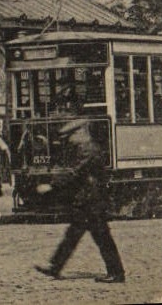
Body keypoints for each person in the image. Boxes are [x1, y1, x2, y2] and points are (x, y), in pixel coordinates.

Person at [34, 120, 125, 285]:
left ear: (81, 132)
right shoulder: (83, 148)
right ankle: (55, 266)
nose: (69, 139)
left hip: (92, 201)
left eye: (71, 135)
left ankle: (116, 273)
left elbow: (75, 172)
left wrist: (51, 185)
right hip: (87, 200)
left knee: (102, 237)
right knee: (73, 234)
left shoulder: (88, 149)